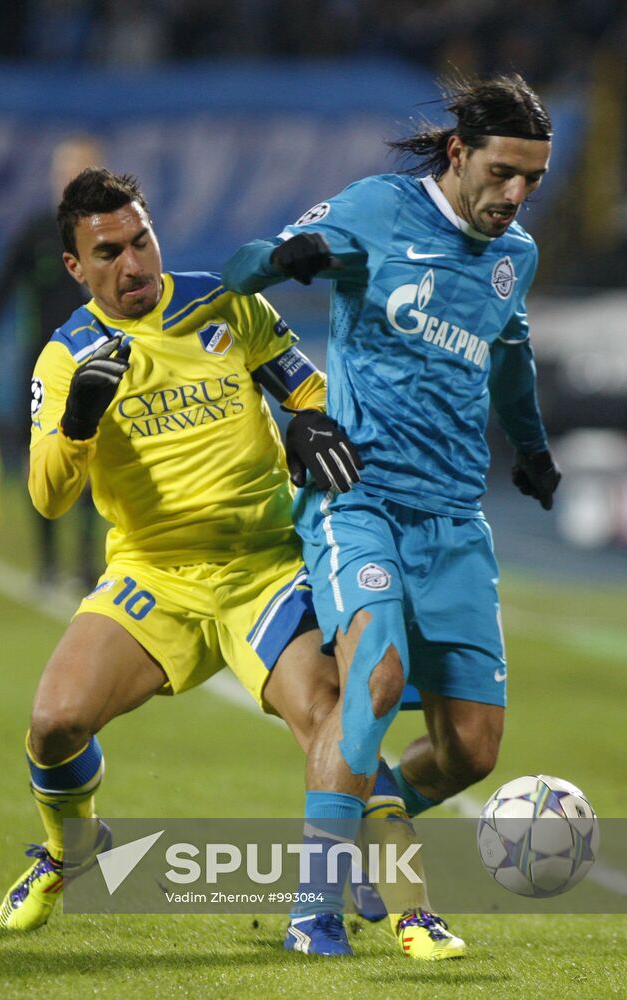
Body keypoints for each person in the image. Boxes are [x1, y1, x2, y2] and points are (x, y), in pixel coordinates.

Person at [222, 73, 562, 957]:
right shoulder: (378, 211)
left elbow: (511, 357)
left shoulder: (514, 256)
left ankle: (373, 836)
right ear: (458, 153)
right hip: (358, 498)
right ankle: (313, 911)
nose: (515, 194)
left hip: (455, 519)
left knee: (471, 750)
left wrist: (531, 449)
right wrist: (287, 259)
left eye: (531, 179)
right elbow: (241, 269)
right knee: (373, 680)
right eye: (501, 172)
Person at [0, 167, 365, 932]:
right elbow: (47, 496)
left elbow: (309, 391)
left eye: (142, 241)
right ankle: (72, 848)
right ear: (75, 267)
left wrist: (310, 422)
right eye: (108, 254)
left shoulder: (225, 302)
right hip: (155, 577)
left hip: (264, 568)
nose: (133, 264)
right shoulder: (67, 358)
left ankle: (343, 902)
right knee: (55, 723)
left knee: (328, 711)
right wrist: (77, 425)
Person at [0, 136, 105, 588]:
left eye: (81, 170)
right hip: (41, 368)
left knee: (96, 461)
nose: (70, 179)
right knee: (38, 460)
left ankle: (86, 563)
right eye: (65, 170)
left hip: (96, 364)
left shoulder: (109, 234)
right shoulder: (36, 232)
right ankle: (48, 563)